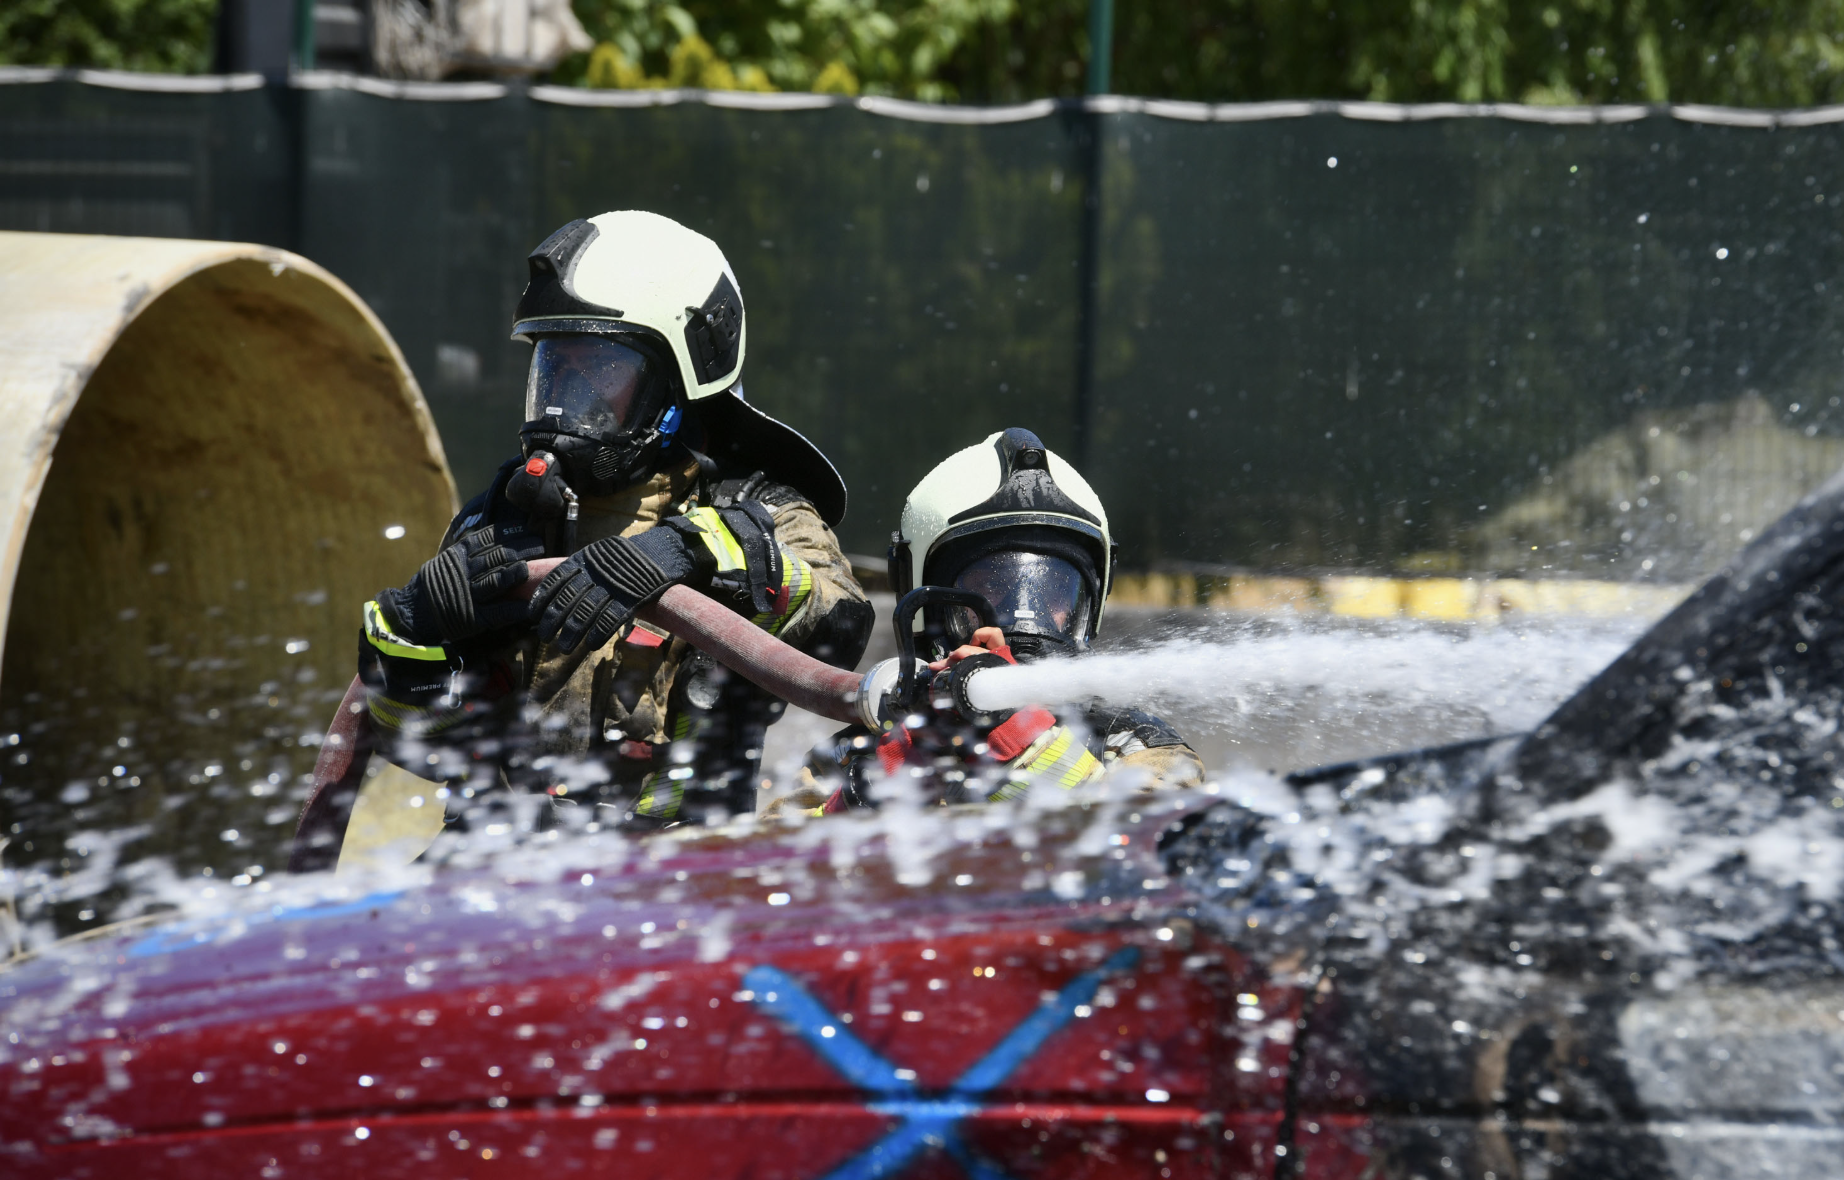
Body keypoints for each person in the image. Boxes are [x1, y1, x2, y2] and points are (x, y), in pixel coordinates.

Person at [356, 211, 872, 834]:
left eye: (600, 375)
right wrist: (411, 636)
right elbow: (415, 744)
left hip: (677, 874)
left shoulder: (758, 507)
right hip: (494, 875)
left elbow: (839, 624)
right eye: (555, 371)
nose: (567, 407)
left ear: (680, 385)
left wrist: (690, 552)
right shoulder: (500, 516)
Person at [774, 427, 1204, 816]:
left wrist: (1023, 742)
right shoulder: (858, 752)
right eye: (989, 590)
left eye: (1052, 593)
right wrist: (862, 796)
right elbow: (762, 865)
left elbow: (1155, 838)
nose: (1021, 614)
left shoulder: (1130, 738)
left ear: (1086, 604)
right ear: (926, 599)